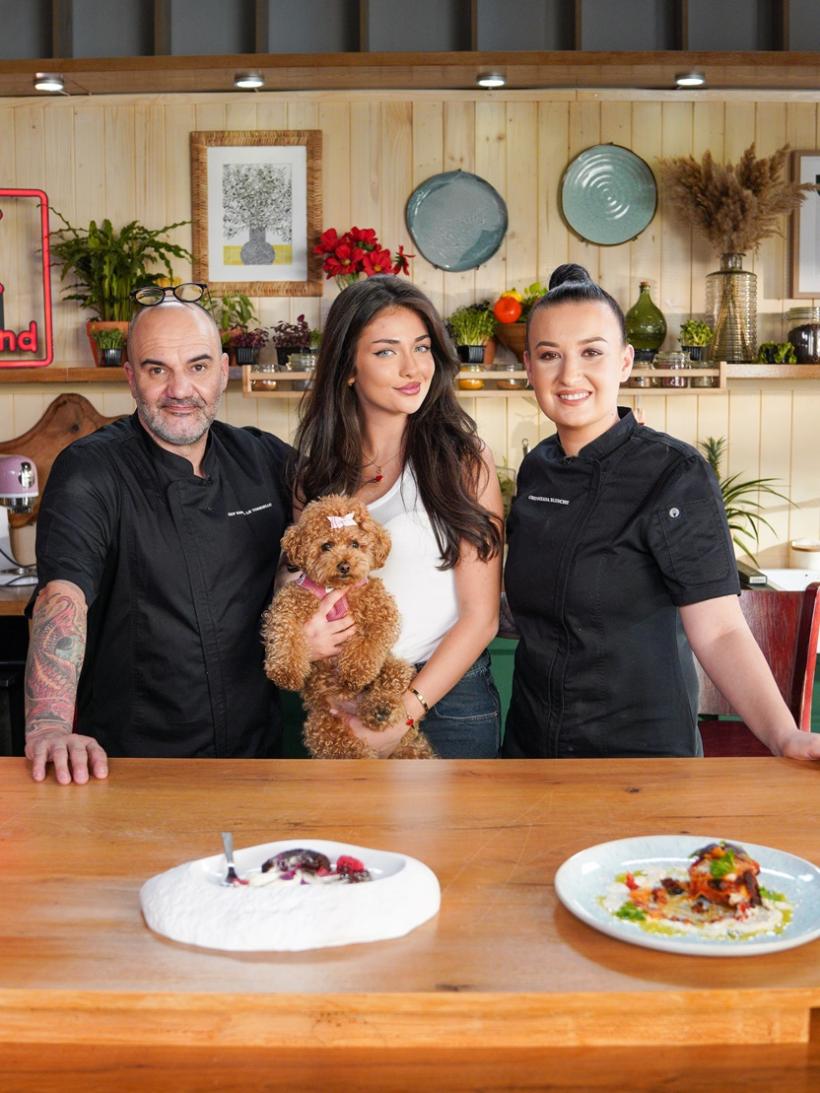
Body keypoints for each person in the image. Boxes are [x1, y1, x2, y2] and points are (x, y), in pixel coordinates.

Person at [503, 263, 820, 760]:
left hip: (643, 760)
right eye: (549, 355)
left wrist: (784, 735)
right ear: (529, 366)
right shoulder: (537, 468)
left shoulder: (675, 473)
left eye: (591, 352)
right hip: (531, 754)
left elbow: (720, 630)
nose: (569, 375)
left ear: (625, 362)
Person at [24, 285, 295, 784]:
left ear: (224, 371)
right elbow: (62, 597)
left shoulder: (264, 459)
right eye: (156, 370)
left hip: (256, 761)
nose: (179, 390)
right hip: (132, 766)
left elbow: (332, 530)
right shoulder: (90, 469)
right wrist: (49, 726)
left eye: (198, 366)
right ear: (130, 377)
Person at [290, 275, 504, 758]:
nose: (413, 368)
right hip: (342, 698)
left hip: (445, 701)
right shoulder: (315, 476)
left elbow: (482, 617)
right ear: (348, 368)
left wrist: (404, 712)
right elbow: (296, 582)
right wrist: (308, 637)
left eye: (422, 347)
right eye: (387, 351)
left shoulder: (463, 461)